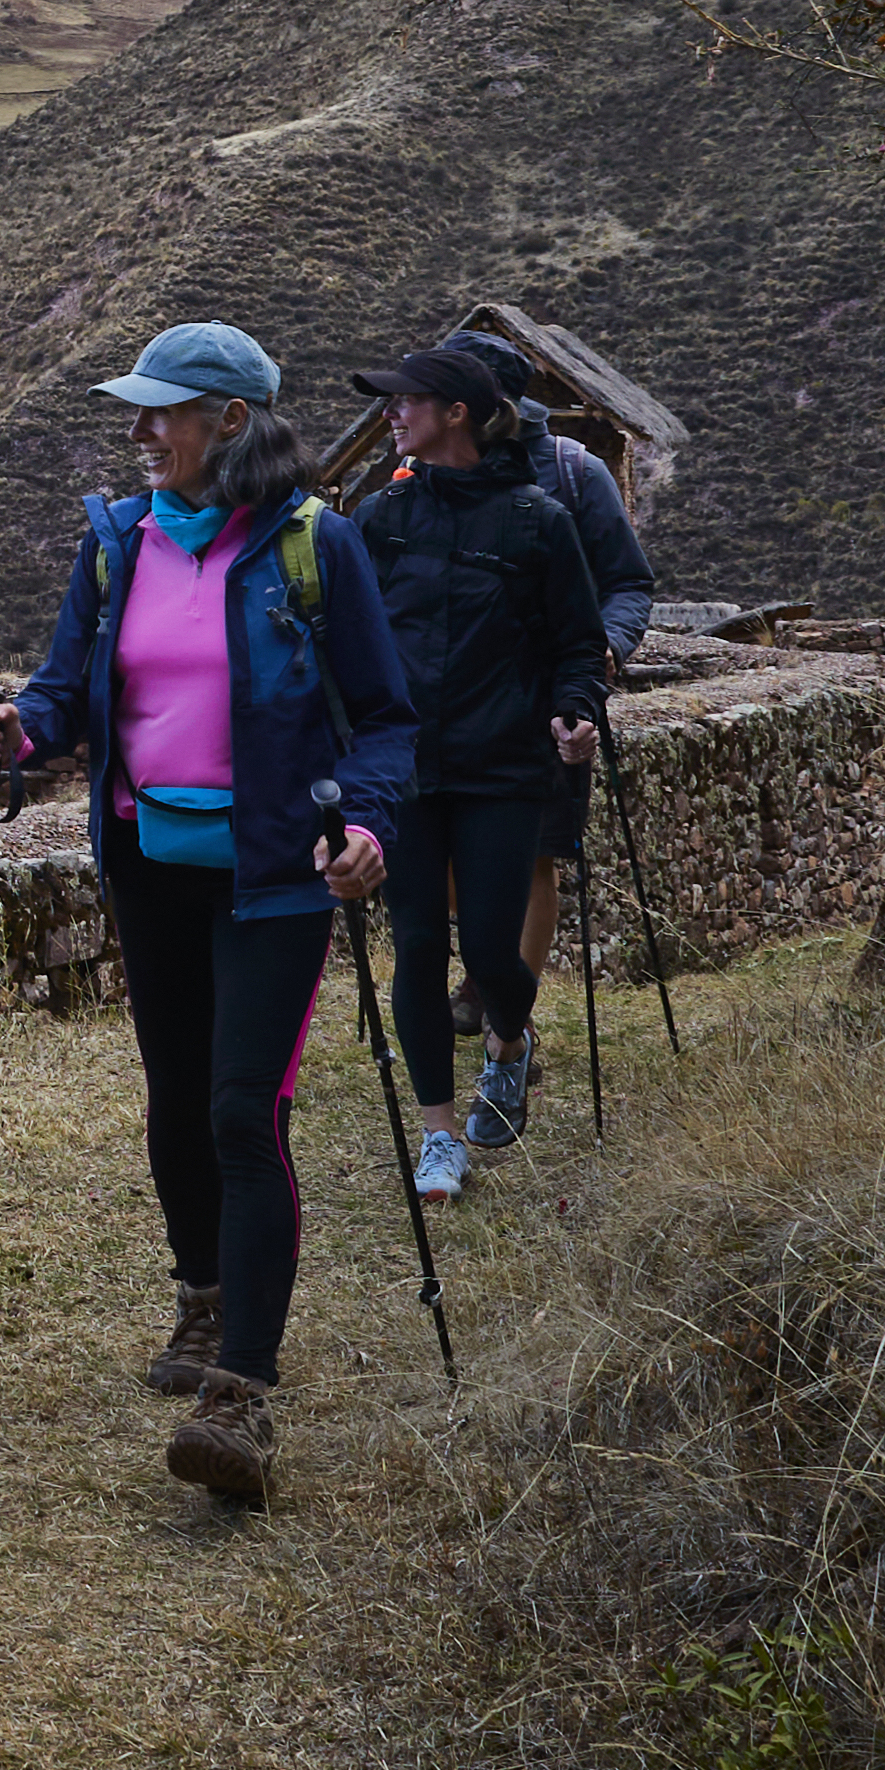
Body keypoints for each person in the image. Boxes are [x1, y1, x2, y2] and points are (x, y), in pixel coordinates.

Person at [0, 319, 418, 1504]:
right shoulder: (115, 547)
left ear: (233, 422)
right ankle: (204, 1298)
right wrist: (14, 731)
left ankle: (241, 1397)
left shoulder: (320, 548)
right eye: (141, 408)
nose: (142, 428)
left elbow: (387, 719)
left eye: (166, 409)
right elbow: (65, 690)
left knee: (240, 1112)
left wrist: (367, 826)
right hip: (151, 868)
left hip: (273, 878)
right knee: (174, 1102)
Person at [343, 348, 613, 1200]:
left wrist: (576, 709)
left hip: (503, 766)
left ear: (456, 411)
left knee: (494, 947)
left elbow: (577, 644)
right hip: (405, 770)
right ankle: (438, 1136)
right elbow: (345, 636)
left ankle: (508, 1042)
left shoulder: (537, 521)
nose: (391, 415)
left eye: (405, 402)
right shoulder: (378, 516)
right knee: (419, 944)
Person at [436, 330, 654, 1029]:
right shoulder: (417, 474)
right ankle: (487, 970)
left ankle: (509, 1015)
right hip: (449, 702)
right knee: (441, 851)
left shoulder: (571, 471)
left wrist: (605, 654)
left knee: (532, 858)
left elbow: (626, 582)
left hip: (548, 700)